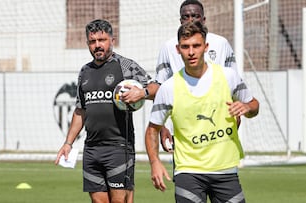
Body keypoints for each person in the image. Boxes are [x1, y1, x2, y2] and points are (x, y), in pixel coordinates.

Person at [145, 21, 259, 203]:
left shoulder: (228, 76)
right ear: (177, 49)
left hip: (225, 171)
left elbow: (254, 105)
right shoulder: (169, 88)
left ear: (206, 47)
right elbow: (152, 129)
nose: (191, 52)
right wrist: (155, 163)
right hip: (189, 171)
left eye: (196, 46)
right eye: (185, 47)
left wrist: (247, 108)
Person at [55, 19, 152, 203]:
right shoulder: (85, 71)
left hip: (119, 147)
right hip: (91, 149)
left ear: (112, 40)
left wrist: (142, 92)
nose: (97, 45)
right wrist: (68, 143)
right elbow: (80, 111)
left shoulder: (125, 66)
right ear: (88, 44)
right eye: (92, 41)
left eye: (102, 40)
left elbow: (155, 87)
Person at [151, 0, 239, 152]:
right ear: (180, 21)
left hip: (218, 129)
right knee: (185, 172)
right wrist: (162, 126)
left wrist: (237, 114)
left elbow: (234, 84)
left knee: (220, 170)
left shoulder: (221, 43)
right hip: (183, 129)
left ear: (203, 19)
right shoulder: (168, 47)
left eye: (195, 16)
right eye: (186, 17)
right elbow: (160, 88)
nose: (190, 20)